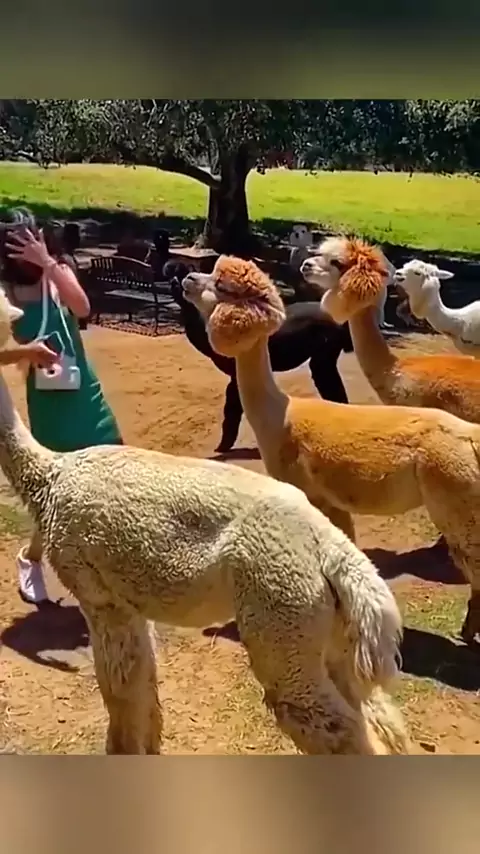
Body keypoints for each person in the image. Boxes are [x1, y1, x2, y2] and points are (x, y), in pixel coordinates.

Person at [0, 208, 123, 607]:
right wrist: (26, 352)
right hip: (48, 402)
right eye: (17, 241)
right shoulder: (6, 293)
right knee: (56, 490)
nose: (27, 246)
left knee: (113, 469)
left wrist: (47, 263)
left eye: (31, 236)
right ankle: (31, 557)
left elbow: (83, 308)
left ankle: (106, 567)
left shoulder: (59, 270)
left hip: (85, 391)